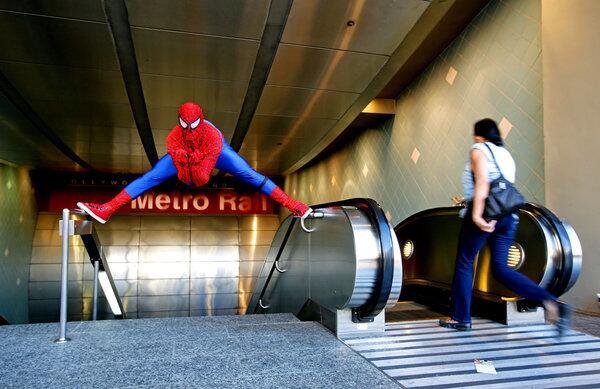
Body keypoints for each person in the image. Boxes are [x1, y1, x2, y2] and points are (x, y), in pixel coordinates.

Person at [77, 101, 313, 224]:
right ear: (178, 120)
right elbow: (184, 177)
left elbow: (200, 180)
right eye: (184, 124)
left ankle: (293, 205)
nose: (188, 130)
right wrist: (184, 160)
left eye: (193, 125)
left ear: (201, 120)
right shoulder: (173, 137)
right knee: (149, 178)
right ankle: (107, 209)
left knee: (249, 175)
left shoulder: (211, 137)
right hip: (187, 157)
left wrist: (194, 160)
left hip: (216, 153)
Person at [439, 118, 570, 335]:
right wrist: (468, 198)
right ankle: (549, 300)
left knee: (464, 263)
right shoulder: (505, 155)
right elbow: (499, 187)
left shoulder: (478, 149)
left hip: (486, 216)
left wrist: (478, 214)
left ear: (478, 135)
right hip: (509, 216)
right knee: (501, 268)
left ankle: (461, 317)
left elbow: (482, 182)